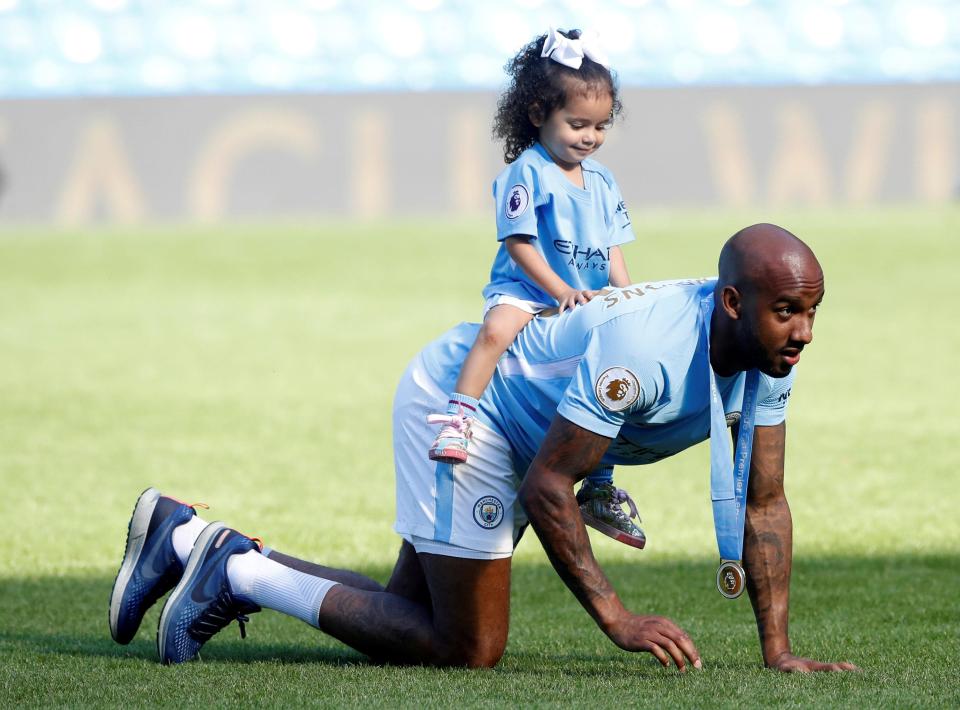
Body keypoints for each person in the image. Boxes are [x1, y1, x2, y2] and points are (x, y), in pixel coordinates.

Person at [109, 223, 859, 673]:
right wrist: (619, 619)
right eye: (788, 312)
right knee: (467, 645)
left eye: (813, 313)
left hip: (526, 428)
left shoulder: (769, 356)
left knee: (407, 610)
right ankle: (238, 572)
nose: (805, 334)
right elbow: (549, 485)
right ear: (733, 303)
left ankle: (194, 540)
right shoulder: (648, 352)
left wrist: (778, 649)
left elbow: (764, 500)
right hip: (471, 409)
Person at [426, 28, 645, 548]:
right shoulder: (529, 172)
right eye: (576, 124)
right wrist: (559, 290)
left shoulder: (604, 181)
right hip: (529, 290)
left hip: (585, 300)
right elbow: (520, 245)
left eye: (599, 126)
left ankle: (600, 484)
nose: (589, 137)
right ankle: (459, 417)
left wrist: (629, 297)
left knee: (609, 380)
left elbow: (614, 248)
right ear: (538, 114)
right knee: (495, 331)